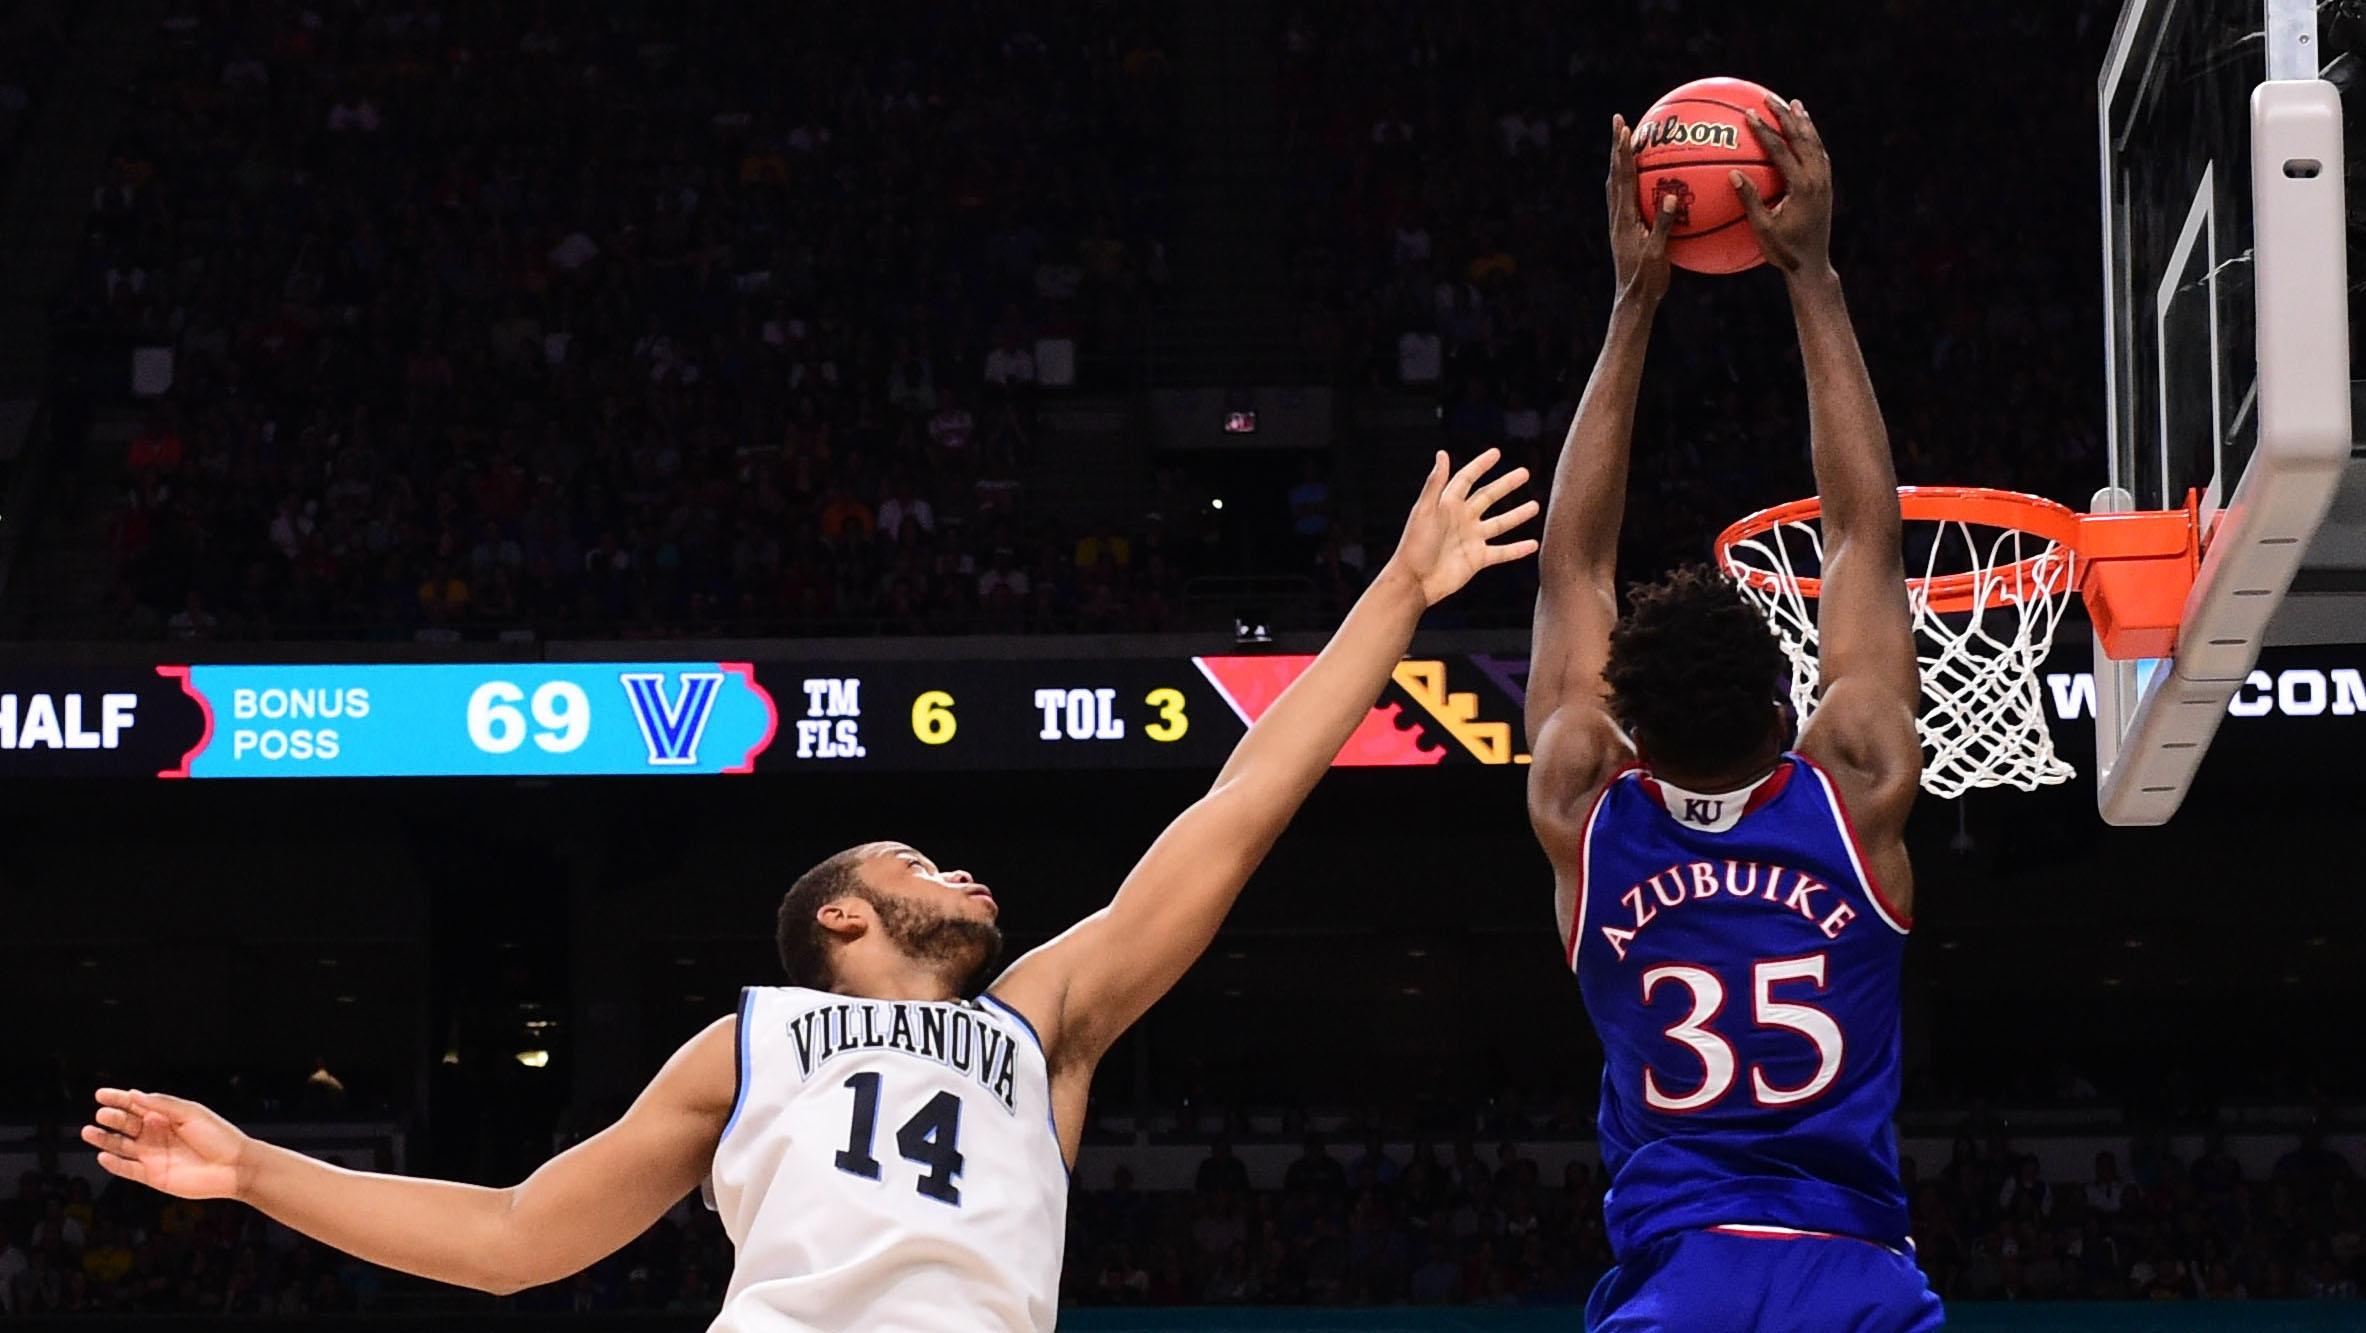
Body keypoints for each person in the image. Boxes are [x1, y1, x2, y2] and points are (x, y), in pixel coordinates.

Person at [82, 451, 1539, 1333]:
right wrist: (257, 1168)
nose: (964, 873)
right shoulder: (748, 1041)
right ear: (839, 916)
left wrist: (1401, 591)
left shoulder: (1045, 1022)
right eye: (915, 863)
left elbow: (1241, 802)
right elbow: (520, 1240)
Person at [1523, 98, 1941, 1330]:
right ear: (1787, 698)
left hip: (1679, 1277)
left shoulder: (1579, 802)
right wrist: (1810, 277)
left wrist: (1630, 304)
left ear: (1624, 725)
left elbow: (1570, 568)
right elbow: (1863, 532)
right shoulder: (1855, 784)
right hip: (1853, 1271)